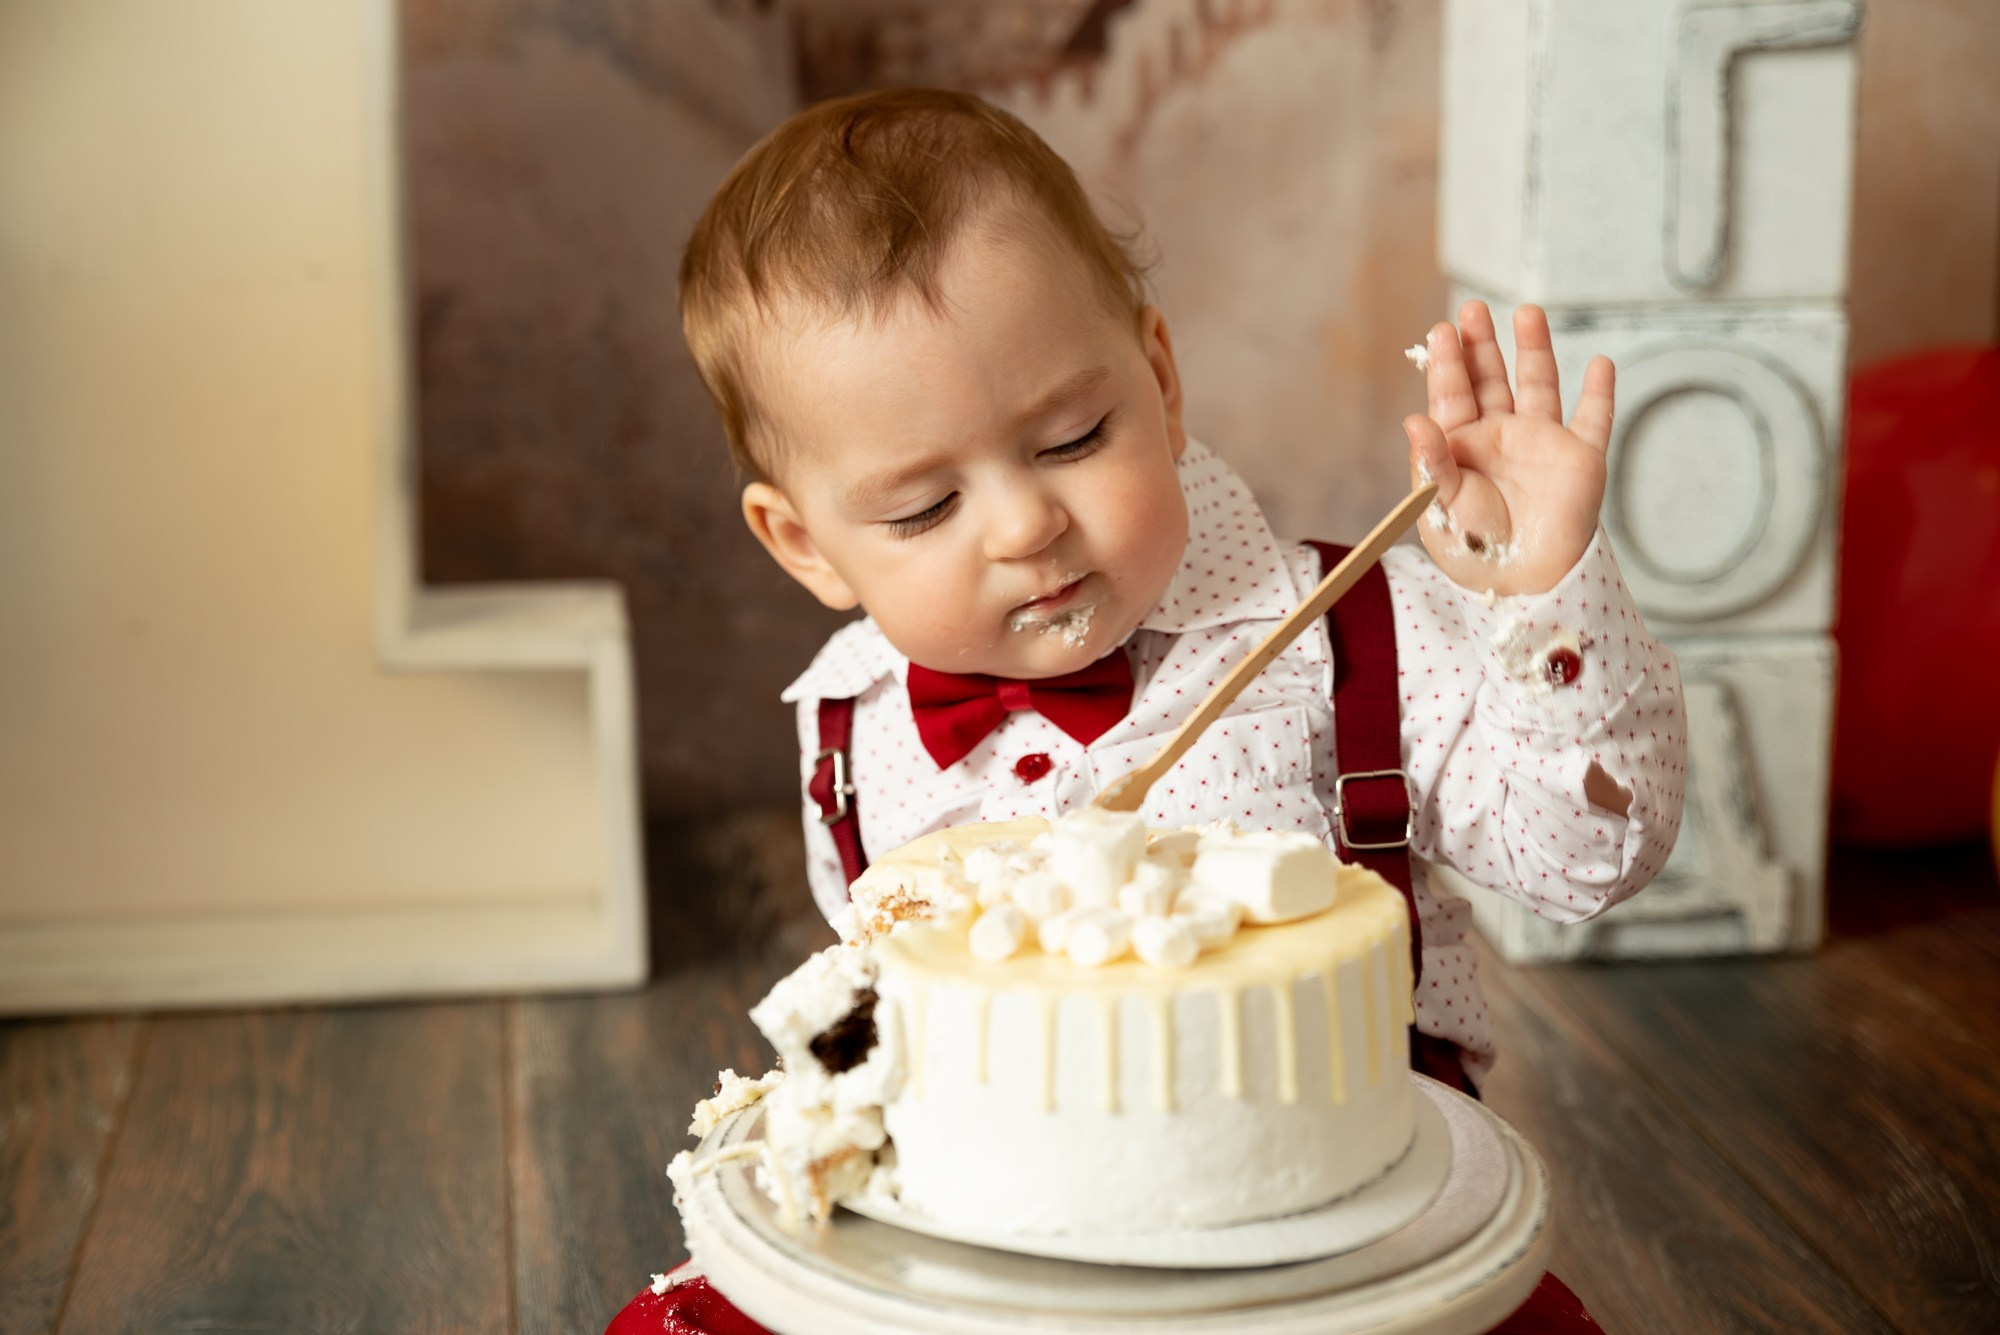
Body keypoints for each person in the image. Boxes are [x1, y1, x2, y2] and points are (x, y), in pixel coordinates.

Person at [611, 86, 1684, 1335]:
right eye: (920, 512)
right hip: (987, 1239)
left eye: (1072, 436)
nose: (1023, 526)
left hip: (1336, 1236)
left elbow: (1590, 859)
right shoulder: (849, 724)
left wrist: (1543, 591)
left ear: (1160, 379)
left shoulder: (1363, 630)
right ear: (806, 545)